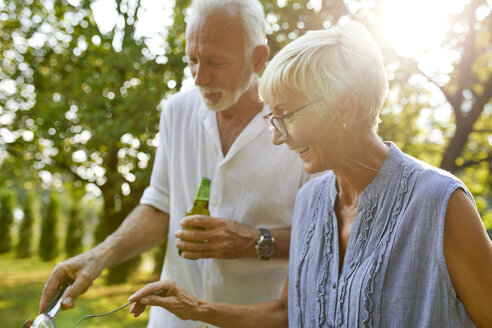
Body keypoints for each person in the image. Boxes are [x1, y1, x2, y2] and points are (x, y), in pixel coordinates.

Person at [127, 21, 492, 327]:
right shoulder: (310, 201)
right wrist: (196, 308)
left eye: (286, 115)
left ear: (344, 108)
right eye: (272, 117)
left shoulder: (440, 204)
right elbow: (289, 312)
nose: (276, 136)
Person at [38, 1, 311, 327]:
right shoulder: (176, 111)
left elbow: (329, 236)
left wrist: (253, 241)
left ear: (258, 58)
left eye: (215, 61)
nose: (199, 77)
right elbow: (160, 206)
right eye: (192, 60)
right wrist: (99, 258)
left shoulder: (300, 125)